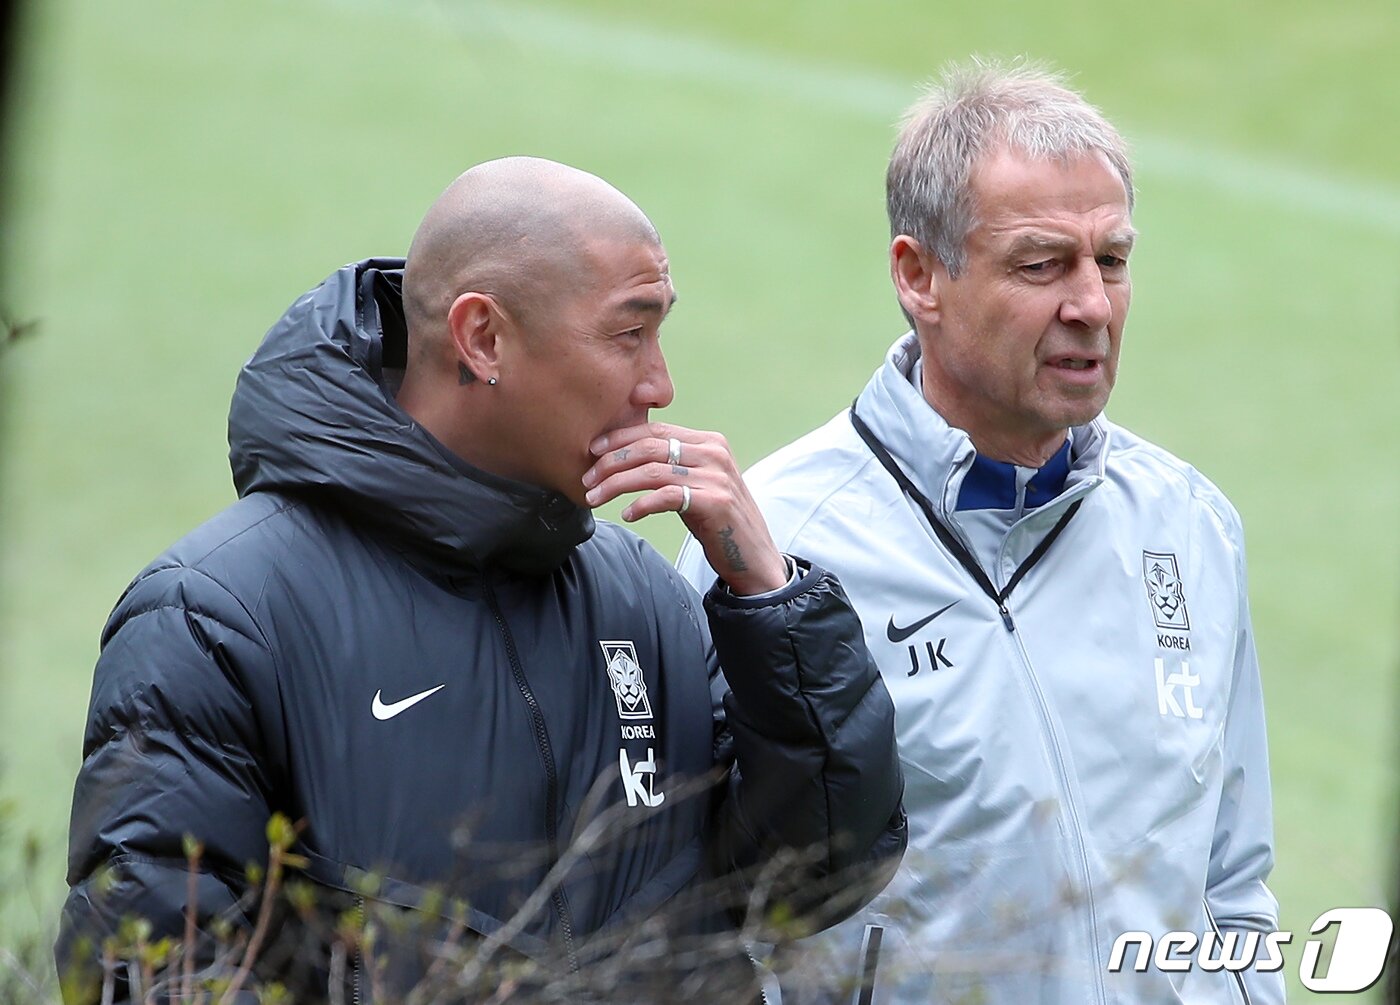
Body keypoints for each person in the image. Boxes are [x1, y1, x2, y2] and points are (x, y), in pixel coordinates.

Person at [56, 157, 906, 1004]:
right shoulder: (217, 619)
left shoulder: (644, 600)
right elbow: (151, 978)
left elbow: (816, 882)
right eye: (628, 333)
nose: (661, 383)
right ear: (484, 339)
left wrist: (769, 598)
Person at [678, 60, 1282, 1004]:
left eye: (1112, 260)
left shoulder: (1191, 524)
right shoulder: (779, 542)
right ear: (920, 276)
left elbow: (1233, 885)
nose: (1091, 305)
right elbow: (712, 916)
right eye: (1041, 264)